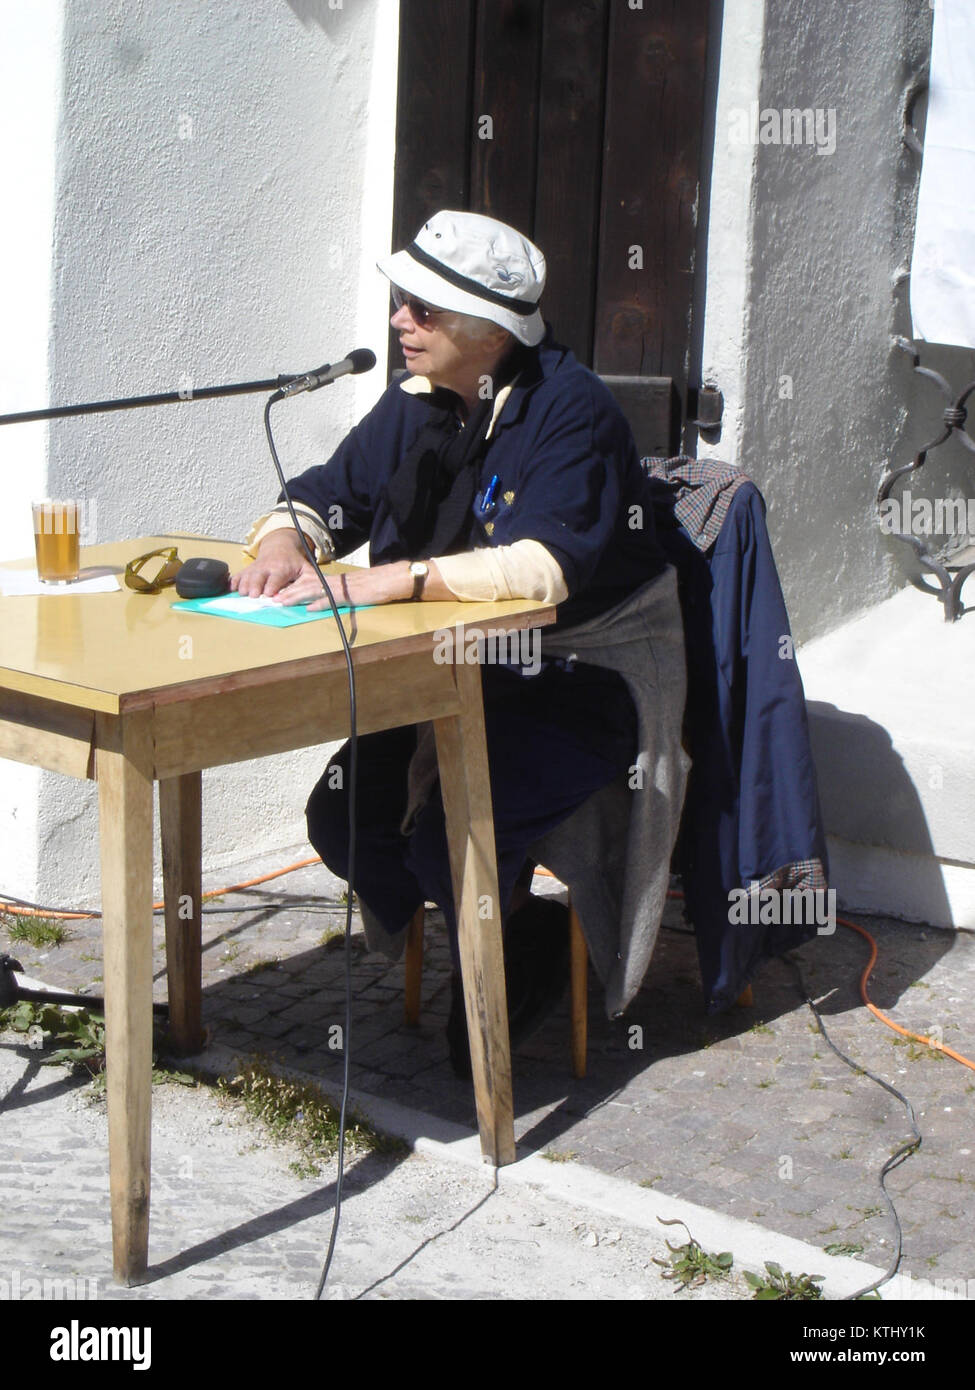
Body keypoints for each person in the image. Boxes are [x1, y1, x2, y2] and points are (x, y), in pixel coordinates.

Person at [234, 210, 680, 1071]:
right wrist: (288, 539)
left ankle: (514, 944)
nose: (401, 320)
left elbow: (547, 570)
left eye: (423, 309)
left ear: (489, 330)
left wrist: (396, 579)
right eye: (403, 301)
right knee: (342, 818)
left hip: (579, 671)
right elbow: (333, 494)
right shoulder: (415, 404)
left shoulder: (569, 409)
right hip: (447, 661)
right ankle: (509, 925)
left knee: (451, 828)